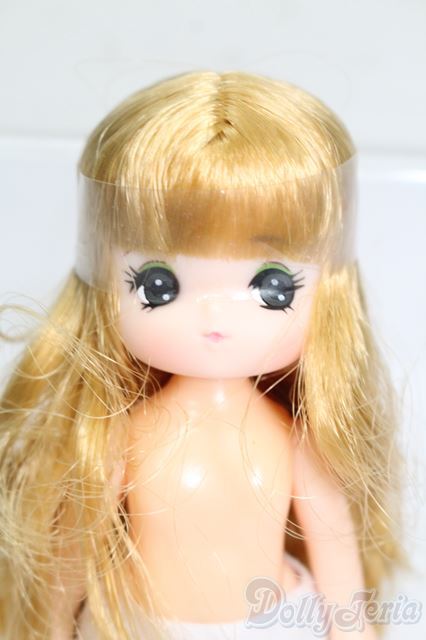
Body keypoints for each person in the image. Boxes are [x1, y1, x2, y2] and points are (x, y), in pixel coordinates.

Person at [0, 71, 404, 640]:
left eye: (272, 287)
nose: (214, 314)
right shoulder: (120, 438)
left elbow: (338, 559)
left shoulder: (293, 440)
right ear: (103, 282)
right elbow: (71, 552)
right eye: (159, 285)